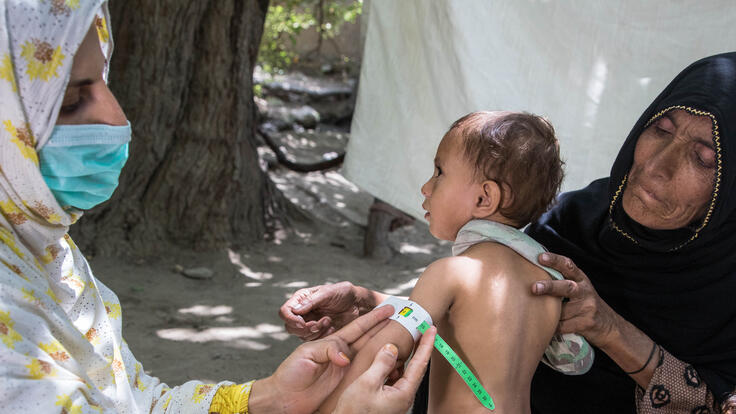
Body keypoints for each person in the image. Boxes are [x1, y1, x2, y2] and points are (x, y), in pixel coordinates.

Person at [0, 2, 435, 413]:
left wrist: (265, 399)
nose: (117, 117)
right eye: (73, 100)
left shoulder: (39, 254)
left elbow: (132, 402)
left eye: (104, 83)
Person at [281, 52, 736, 413]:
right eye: (660, 130)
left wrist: (611, 330)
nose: (656, 167)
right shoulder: (576, 219)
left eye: (703, 158)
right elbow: (484, 311)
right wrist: (370, 305)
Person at [315, 111, 593, 413]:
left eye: (439, 172)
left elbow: (386, 351)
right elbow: (573, 361)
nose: (426, 187)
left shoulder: (450, 273)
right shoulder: (545, 281)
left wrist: (323, 401)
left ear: (484, 198)